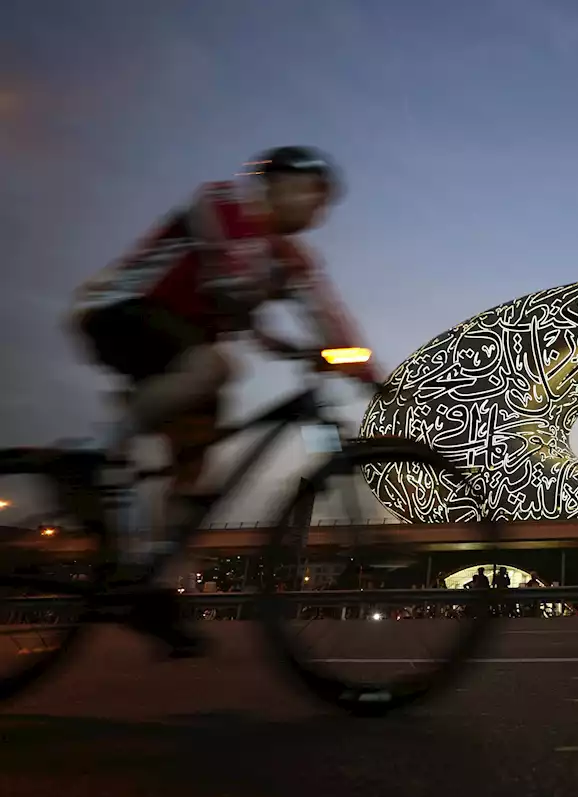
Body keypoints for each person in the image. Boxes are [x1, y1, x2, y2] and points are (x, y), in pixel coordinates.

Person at [67, 146, 380, 650]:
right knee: (216, 367)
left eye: (325, 203)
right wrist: (289, 335)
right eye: (310, 192)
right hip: (123, 309)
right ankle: (95, 445)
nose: (317, 210)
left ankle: (152, 586)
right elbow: (227, 277)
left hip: (183, 346)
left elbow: (327, 316)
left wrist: (367, 371)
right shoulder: (222, 204)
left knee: (194, 468)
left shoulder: (289, 257)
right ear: (272, 183)